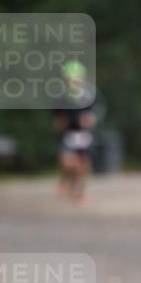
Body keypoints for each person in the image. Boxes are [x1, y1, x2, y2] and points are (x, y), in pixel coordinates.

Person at [52, 60, 105, 203]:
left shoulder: (91, 93)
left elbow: (99, 110)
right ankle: (67, 179)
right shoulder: (61, 95)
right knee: (67, 163)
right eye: (70, 79)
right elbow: (56, 114)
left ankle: (80, 190)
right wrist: (59, 121)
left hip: (84, 133)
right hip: (68, 133)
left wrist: (92, 118)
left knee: (83, 164)